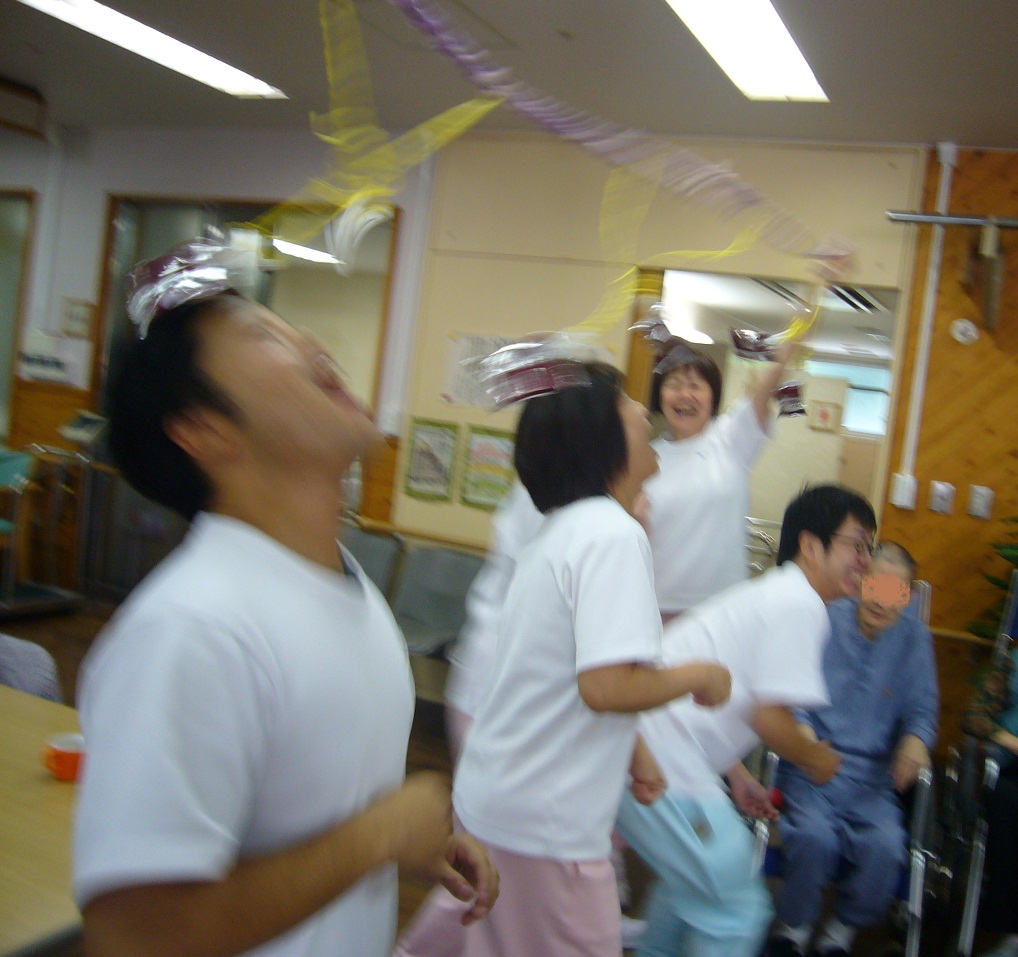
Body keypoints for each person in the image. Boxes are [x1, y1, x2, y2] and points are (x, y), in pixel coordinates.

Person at [72, 240, 498, 957]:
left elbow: (308, 817)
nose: (312, 344)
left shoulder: (347, 585)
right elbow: (132, 937)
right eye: (264, 336)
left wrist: (407, 838)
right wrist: (377, 835)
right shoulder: (192, 628)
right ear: (203, 429)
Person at [449, 359, 732, 957]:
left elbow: (567, 672)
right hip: (544, 824)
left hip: (504, 802)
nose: (644, 412)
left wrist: (637, 751)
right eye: (628, 408)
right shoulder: (610, 534)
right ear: (602, 442)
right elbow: (605, 687)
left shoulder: (565, 530)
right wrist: (702, 674)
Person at [614, 483, 878, 957]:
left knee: (693, 892)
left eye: (870, 550)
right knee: (738, 907)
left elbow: (735, 701)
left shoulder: (778, 595)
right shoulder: (799, 604)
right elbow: (770, 717)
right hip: (657, 763)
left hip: (642, 749)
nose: (865, 561)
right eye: (856, 546)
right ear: (810, 546)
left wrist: (736, 775)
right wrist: (816, 759)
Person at [765, 542, 939, 957]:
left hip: (872, 781)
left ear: (907, 598)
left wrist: (915, 742)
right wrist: (805, 741)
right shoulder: (825, 618)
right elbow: (792, 690)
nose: (880, 601)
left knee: (886, 847)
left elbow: (922, 712)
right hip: (813, 765)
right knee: (813, 837)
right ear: (861, 582)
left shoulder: (915, 640)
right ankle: (795, 927)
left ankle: (841, 930)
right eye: (875, 586)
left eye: (893, 593)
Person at [641, 338, 795, 621]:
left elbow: (761, 395)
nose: (684, 395)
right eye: (674, 385)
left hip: (723, 608)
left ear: (712, 396)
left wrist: (781, 358)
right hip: (657, 605)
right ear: (660, 394)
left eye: (695, 386)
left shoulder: (730, 437)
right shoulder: (646, 456)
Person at [959, 625, 1018, 957]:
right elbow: (974, 716)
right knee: (1006, 798)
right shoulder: (1011, 664)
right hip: (1013, 768)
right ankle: (1013, 934)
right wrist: (1011, 741)